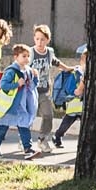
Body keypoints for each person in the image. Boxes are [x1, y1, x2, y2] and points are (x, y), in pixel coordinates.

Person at [0, 44, 38, 157]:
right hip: (10, 105)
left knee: (24, 126)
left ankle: (28, 148)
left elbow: (33, 86)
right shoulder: (12, 71)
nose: (27, 59)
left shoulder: (28, 70)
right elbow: (3, 85)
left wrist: (35, 77)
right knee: (2, 127)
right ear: (16, 57)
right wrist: (16, 84)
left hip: (22, 105)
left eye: (28, 56)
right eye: (24, 56)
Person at [27, 24, 71, 152]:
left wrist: (68, 68)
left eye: (42, 39)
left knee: (48, 115)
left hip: (44, 90)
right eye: (37, 39)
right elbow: (23, 66)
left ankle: (42, 139)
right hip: (30, 90)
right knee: (29, 116)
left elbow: (56, 62)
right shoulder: (30, 52)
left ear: (47, 40)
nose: (39, 42)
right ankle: (24, 139)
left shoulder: (49, 52)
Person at [50, 49, 85, 151]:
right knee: (66, 123)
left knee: (70, 122)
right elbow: (70, 88)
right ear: (81, 61)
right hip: (75, 103)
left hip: (81, 104)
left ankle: (58, 136)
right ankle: (57, 136)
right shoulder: (77, 72)